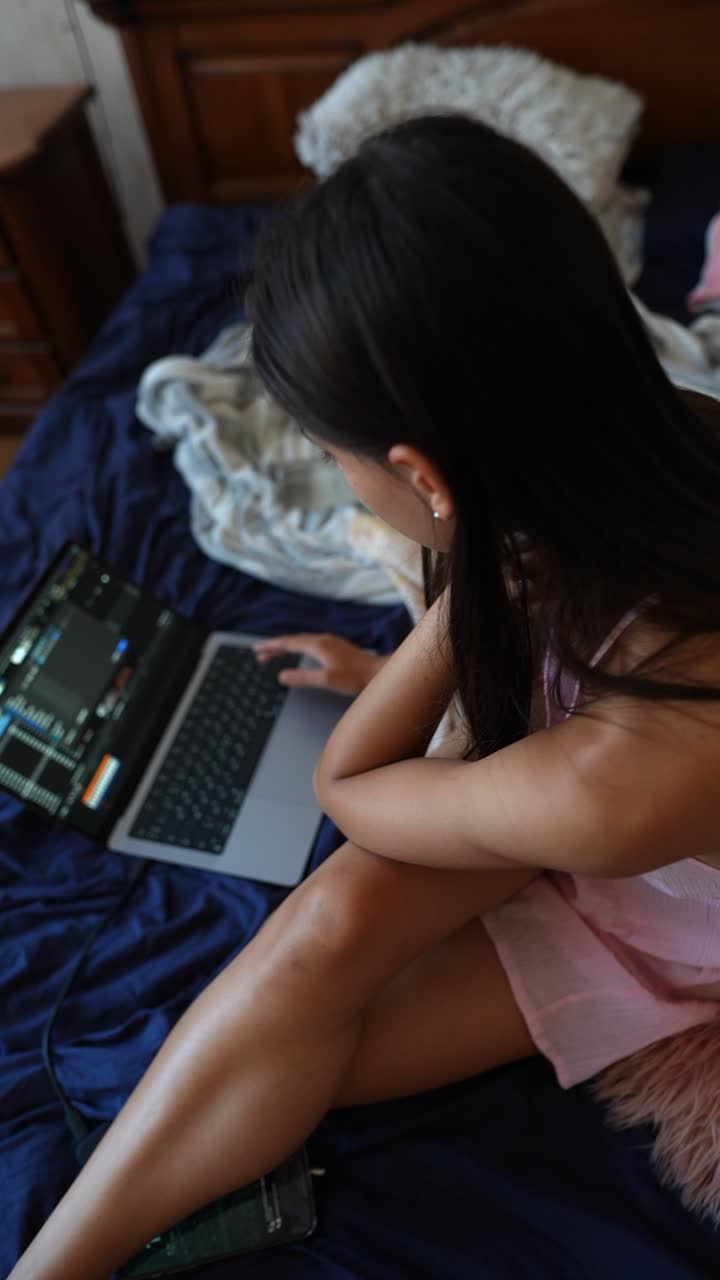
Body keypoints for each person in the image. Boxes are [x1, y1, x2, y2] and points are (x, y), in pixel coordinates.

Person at [11, 114, 720, 1280]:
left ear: (421, 473)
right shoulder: (661, 440)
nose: (340, 479)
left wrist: (446, 614)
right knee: (307, 968)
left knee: (309, 997)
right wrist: (440, 608)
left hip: (665, 906)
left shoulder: (621, 774)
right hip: (587, 798)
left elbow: (351, 785)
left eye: (336, 456)